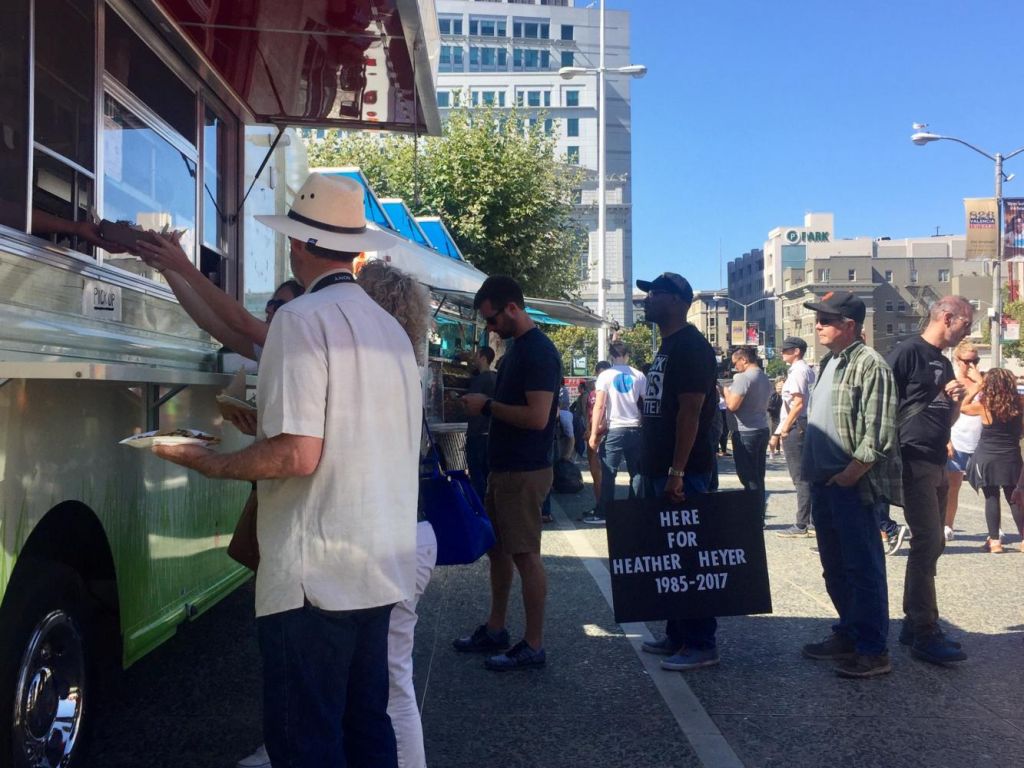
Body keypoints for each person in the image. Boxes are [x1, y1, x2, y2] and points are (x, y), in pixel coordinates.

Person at [149, 173, 421, 767]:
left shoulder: (302, 320)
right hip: (377, 567)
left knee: (305, 744)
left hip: (313, 576)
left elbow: (298, 453)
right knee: (367, 731)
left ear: (297, 245)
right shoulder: (392, 334)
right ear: (353, 248)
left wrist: (208, 461)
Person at [455, 275, 561, 671]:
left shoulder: (538, 353)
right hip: (505, 469)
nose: (490, 328)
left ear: (513, 307)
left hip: (524, 469)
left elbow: (537, 418)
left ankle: (533, 644)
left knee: (525, 555)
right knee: (498, 550)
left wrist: (486, 406)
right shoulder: (518, 350)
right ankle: (496, 627)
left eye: (493, 319)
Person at [798, 291, 902, 678]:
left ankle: (873, 650)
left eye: (826, 319)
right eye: (819, 318)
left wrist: (848, 475)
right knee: (835, 568)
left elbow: (878, 434)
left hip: (850, 487)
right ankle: (849, 632)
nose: (818, 324)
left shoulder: (869, 364)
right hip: (824, 483)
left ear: (849, 326)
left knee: (863, 569)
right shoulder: (830, 362)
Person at [632, 273, 721, 671]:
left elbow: (691, 412)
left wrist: (677, 470)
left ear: (679, 300)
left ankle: (701, 642)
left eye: (655, 294)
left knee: (690, 558)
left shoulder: (691, 347)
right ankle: (677, 634)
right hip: (657, 468)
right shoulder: (667, 346)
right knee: (669, 556)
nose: (646, 299)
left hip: (685, 473)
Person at [886, 295, 972, 665]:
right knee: (928, 540)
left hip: (938, 459)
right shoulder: (908, 352)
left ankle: (914, 620)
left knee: (932, 545)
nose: (968, 331)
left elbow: (947, 420)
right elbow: (883, 402)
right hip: (913, 458)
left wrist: (955, 400)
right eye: (966, 324)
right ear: (947, 317)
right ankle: (924, 628)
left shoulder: (941, 361)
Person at [583, 341, 647, 525]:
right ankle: (635, 509)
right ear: (627, 355)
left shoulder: (605, 376)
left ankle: (604, 512)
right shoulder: (639, 375)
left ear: (611, 356)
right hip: (636, 428)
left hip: (615, 429)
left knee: (609, 472)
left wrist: (594, 433)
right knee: (637, 472)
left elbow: (600, 405)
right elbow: (646, 403)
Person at [965, 368, 1024, 553]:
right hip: (1011, 456)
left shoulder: (984, 405)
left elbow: (962, 406)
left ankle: (995, 541)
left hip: (987, 457)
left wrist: (978, 386)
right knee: (1014, 498)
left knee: (991, 497)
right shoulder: (1020, 404)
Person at [770, 336, 816, 538]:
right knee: (807, 476)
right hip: (802, 424)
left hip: (797, 425)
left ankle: (802, 523)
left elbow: (797, 403)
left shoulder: (798, 371)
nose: (782, 353)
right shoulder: (803, 370)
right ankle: (812, 521)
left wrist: (784, 429)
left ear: (797, 351)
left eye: (786, 350)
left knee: (800, 477)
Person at [723, 347, 772, 521]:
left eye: (735, 362)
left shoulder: (744, 378)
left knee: (747, 475)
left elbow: (733, 405)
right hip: (761, 427)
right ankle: (759, 512)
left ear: (743, 360)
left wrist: (726, 392)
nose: (735, 366)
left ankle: (753, 515)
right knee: (759, 474)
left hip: (745, 431)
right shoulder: (764, 377)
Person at [944, 341, 983, 542]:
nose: (972, 365)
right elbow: (946, 414)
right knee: (953, 486)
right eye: (967, 361)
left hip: (981, 441)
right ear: (957, 360)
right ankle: (948, 525)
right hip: (957, 438)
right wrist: (946, 439)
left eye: (975, 360)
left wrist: (980, 384)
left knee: (989, 487)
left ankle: (995, 529)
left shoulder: (983, 382)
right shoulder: (952, 382)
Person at [466, 346, 497, 502]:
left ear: (483, 358)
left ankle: (479, 509)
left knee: (477, 474)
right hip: (491, 435)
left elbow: (470, 403)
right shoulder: (496, 378)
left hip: (477, 434)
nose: (474, 358)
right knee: (487, 475)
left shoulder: (480, 380)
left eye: (476, 355)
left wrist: (455, 398)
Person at [581, 361, 612, 518]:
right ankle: (599, 504)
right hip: (593, 433)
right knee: (595, 473)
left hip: (607, 433)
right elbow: (588, 413)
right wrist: (588, 429)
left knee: (606, 472)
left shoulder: (613, 391)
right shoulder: (592, 393)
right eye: (600, 372)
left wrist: (600, 429)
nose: (602, 375)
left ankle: (606, 507)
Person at [717, 385, 731, 456]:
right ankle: (716, 450)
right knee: (718, 430)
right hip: (718, 411)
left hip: (725, 411)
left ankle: (723, 450)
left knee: (725, 431)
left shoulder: (724, 393)